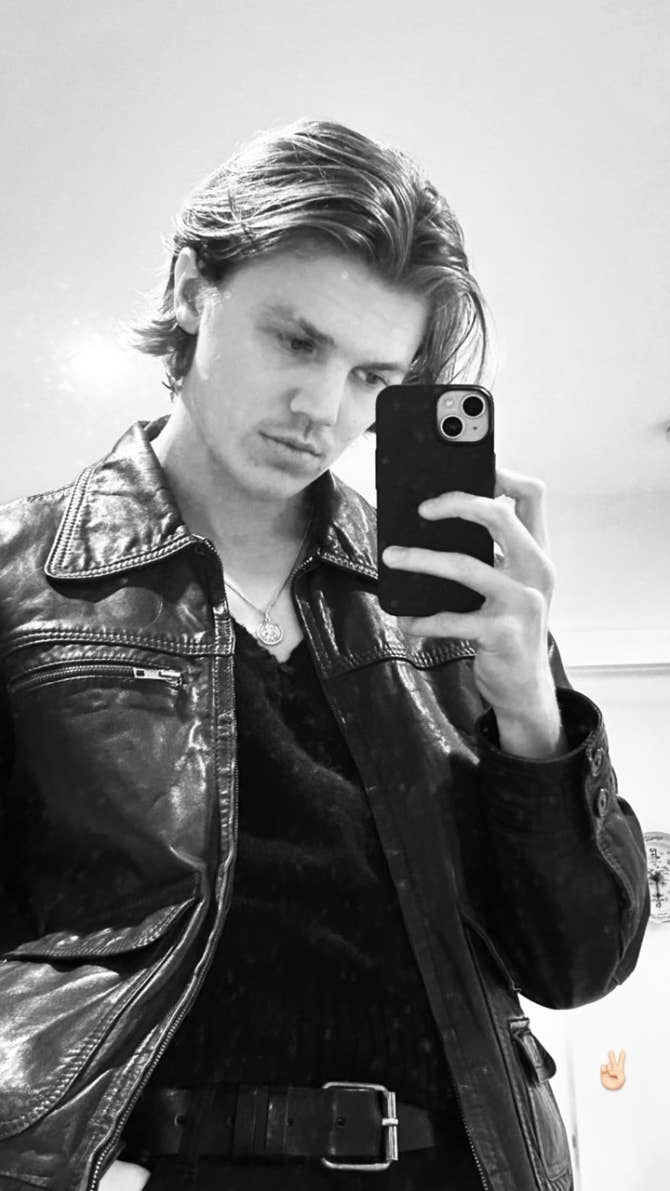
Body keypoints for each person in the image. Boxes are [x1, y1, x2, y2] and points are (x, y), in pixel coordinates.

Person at [0, 118, 649, 1191]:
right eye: (295, 342)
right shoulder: (24, 580)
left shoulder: (454, 603)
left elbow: (577, 962)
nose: (323, 410)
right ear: (193, 290)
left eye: (371, 376)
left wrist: (534, 717)